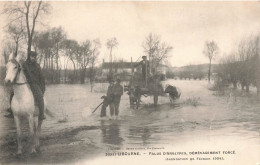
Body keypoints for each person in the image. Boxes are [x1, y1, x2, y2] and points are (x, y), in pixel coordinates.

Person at [22, 51, 46, 120]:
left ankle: (41, 115)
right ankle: (11, 110)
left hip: (34, 84)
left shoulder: (37, 65)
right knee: (13, 92)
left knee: (40, 97)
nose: (33, 58)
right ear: (29, 57)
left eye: (34, 57)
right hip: (25, 83)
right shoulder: (24, 64)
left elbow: (41, 77)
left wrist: (42, 87)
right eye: (32, 56)